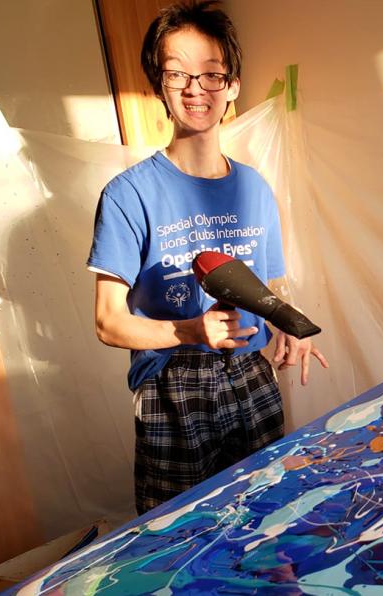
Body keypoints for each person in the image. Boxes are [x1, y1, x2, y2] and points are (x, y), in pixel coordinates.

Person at [88, 0, 327, 514]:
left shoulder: (255, 189)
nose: (195, 88)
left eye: (211, 75)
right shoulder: (128, 195)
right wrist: (190, 331)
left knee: (268, 516)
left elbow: (269, 285)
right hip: (173, 385)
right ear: (159, 86)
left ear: (231, 87)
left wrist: (285, 324)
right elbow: (109, 323)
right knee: (177, 533)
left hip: (250, 373)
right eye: (178, 74)